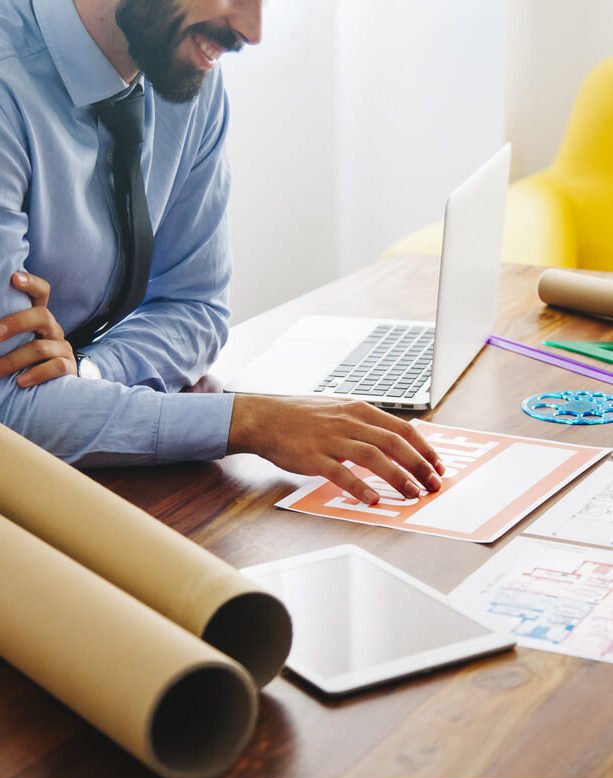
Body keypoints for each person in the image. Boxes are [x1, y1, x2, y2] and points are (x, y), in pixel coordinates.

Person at [0, 0, 444, 505]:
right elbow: (11, 413)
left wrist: (85, 372)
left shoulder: (181, 70)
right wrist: (250, 422)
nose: (251, 32)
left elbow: (194, 308)